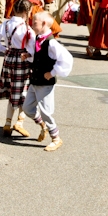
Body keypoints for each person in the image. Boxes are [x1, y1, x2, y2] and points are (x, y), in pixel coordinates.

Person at [23, 11, 73, 152]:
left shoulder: (51, 42)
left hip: (44, 83)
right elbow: (38, 56)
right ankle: (43, 124)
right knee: (27, 108)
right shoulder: (38, 39)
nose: (32, 25)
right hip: (35, 80)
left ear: (44, 24)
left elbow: (66, 60)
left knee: (46, 111)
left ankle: (56, 137)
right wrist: (28, 55)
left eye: (35, 23)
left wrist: (52, 73)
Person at [0, 0, 32, 138]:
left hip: (9, 58)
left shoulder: (5, 24)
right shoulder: (26, 28)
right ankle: (19, 122)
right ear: (27, 11)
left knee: (12, 90)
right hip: (22, 59)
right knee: (23, 90)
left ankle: (7, 122)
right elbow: (32, 47)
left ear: (14, 9)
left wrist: (2, 49)